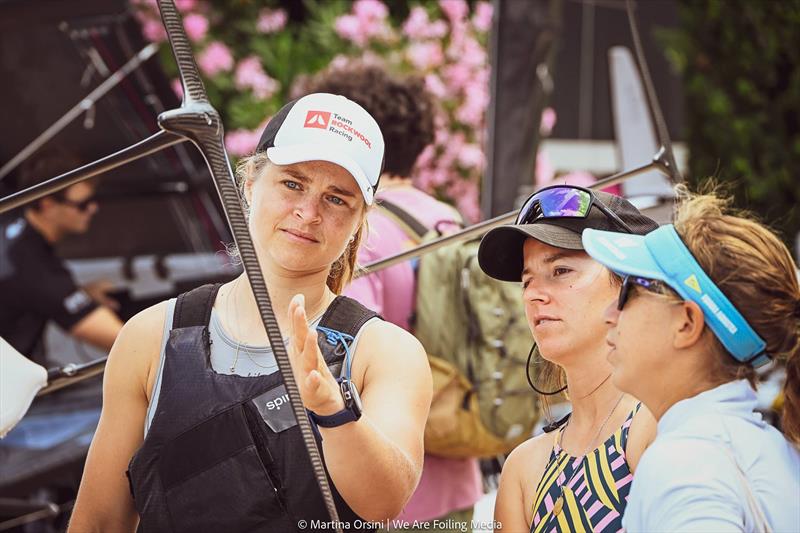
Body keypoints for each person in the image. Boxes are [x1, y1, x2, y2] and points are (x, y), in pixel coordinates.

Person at [68, 93, 432, 532]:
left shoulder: (387, 352)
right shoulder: (151, 336)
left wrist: (333, 410)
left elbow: (384, 503)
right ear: (249, 183)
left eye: (337, 199)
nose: (308, 212)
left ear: (360, 221)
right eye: (293, 184)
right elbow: (99, 521)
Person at [303, 61, 484, 530]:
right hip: (458, 465)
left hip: (391, 485)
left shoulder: (366, 228)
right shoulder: (446, 218)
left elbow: (345, 354)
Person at [582, 185, 800, 531]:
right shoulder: (771, 448)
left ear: (686, 323)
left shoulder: (686, 462)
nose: (610, 313)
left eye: (629, 290)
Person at [477, 185, 660, 532]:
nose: (533, 295)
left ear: (629, 284)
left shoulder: (656, 428)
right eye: (526, 281)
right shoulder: (523, 467)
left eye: (560, 271)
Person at [0, 152, 123, 363]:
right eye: (82, 204)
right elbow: (121, 339)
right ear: (48, 206)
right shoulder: (36, 271)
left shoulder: (10, 218)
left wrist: (81, 294)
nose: (93, 209)